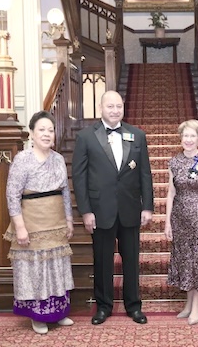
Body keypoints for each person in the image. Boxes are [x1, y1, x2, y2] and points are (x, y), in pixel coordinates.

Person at [72, 90, 154, 325]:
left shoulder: (137, 135)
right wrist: (86, 211)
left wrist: (147, 206)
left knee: (131, 261)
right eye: (110, 106)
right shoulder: (86, 137)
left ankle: (133, 306)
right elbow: (79, 177)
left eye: (119, 106)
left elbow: (145, 174)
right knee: (102, 261)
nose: (115, 110)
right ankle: (104, 307)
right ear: (101, 107)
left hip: (130, 209)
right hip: (100, 211)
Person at [4, 110, 75, 334]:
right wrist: (20, 227)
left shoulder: (58, 159)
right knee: (36, 269)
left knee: (56, 267)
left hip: (55, 222)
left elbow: (64, 193)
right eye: (41, 130)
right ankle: (38, 316)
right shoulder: (22, 159)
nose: (47, 134)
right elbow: (12, 195)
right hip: (31, 222)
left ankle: (59, 312)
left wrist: (69, 220)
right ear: (32, 134)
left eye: (50, 130)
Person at [164, 119, 198, 325]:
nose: (188, 139)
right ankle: (188, 304)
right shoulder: (174, 162)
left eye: (192, 136)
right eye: (185, 136)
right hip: (179, 217)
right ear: (180, 138)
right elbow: (170, 193)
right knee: (185, 259)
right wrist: (167, 222)